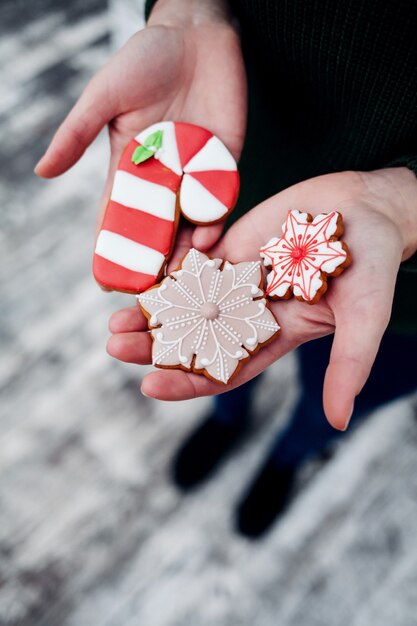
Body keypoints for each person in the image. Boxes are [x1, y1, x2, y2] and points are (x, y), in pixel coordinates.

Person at [35, 0, 417, 537]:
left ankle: (289, 455)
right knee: (223, 363)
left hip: (407, 301)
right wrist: (189, 10)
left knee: (344, 396)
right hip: (239, 181)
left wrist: (406, 203)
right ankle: (227, 419)